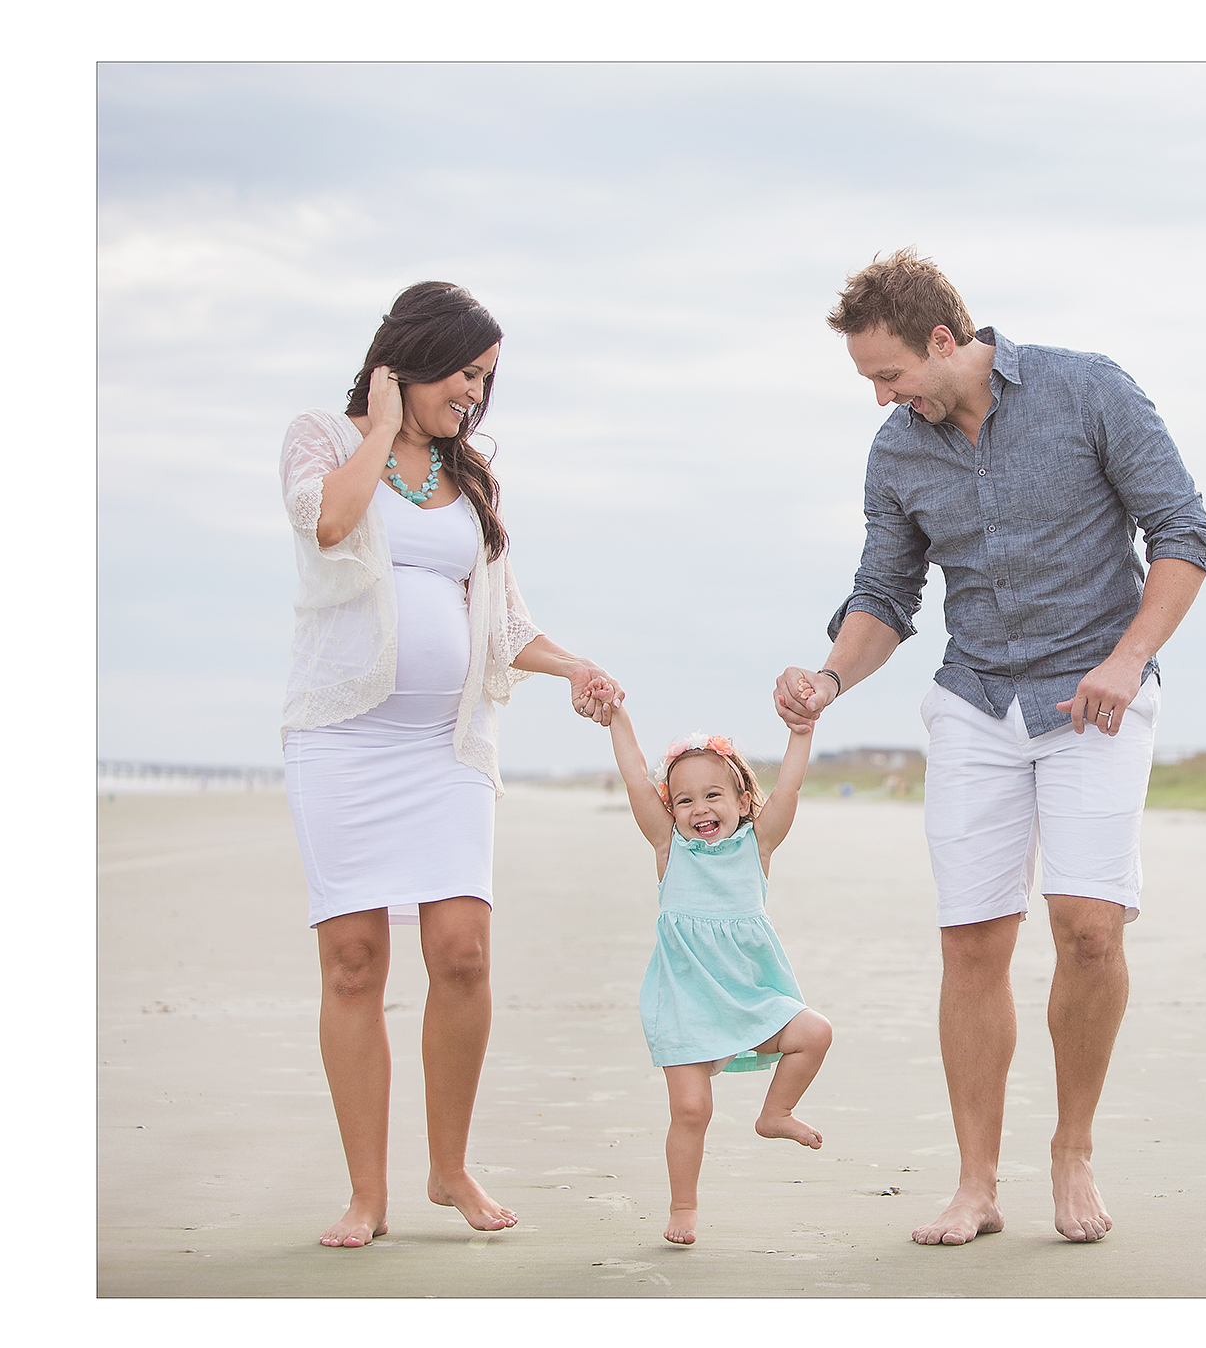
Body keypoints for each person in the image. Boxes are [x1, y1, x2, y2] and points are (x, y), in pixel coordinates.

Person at [775, 249, 1206, 1245]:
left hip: (1095, 699)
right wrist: (828, 678)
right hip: (973, 703)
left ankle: (1072, 1147)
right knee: (973, 939)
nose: (881, 398)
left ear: (944, 340)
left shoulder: (1086, 389)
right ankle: (975, 1182)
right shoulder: (897, 451)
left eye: (887, 374)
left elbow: (1184, 533)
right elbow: (885, 597)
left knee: (1088, 926)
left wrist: (1127, 657)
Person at [279, 282, 623, 1249]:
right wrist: (380, 425)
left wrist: (573, 667)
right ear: (412, 355)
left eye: (487, 379)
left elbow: (504, 621)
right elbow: (332, 524)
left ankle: (448, 1167)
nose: (476, 393)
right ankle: (366, 1192)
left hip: (445, 750)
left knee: (462, 951)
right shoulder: (320, 437)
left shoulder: (474, 482)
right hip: (342, 742)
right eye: (466, 371)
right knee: (353, 965)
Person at [595, 700, 833, 1246]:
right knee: (691, 1107)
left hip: (748, 997)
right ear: (670, 810)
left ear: (744, 800)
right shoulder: (669, 849)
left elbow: (790, 790)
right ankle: (683, 1207)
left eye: (712, 795)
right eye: (683, 800)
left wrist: (801, 734)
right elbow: (634, 779)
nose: (699, 808)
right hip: (684, 1002)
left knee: (814, 1032)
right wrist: (619, 720)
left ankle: (776, 1111)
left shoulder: (758, 844)